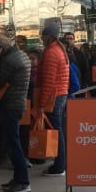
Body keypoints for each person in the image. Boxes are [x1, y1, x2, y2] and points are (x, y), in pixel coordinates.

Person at [0, 35, 31, 192]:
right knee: (13, 141)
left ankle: (23, 181)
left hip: (10, 105)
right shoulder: (21, 55)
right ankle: (18, 177)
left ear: (0, 49)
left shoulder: (10, 60)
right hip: (18, 104)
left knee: (13, 144)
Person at [35, 20, 70, 176]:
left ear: (48, 37)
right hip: (60, 94)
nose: (41, 39)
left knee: (56, 130)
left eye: (43, 36)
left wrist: (41, 104)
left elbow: (48, 81)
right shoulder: (59, 50)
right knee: (59, 129)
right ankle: (61, 163)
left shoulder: (51, 53)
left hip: (54, 96)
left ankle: (59, 166)